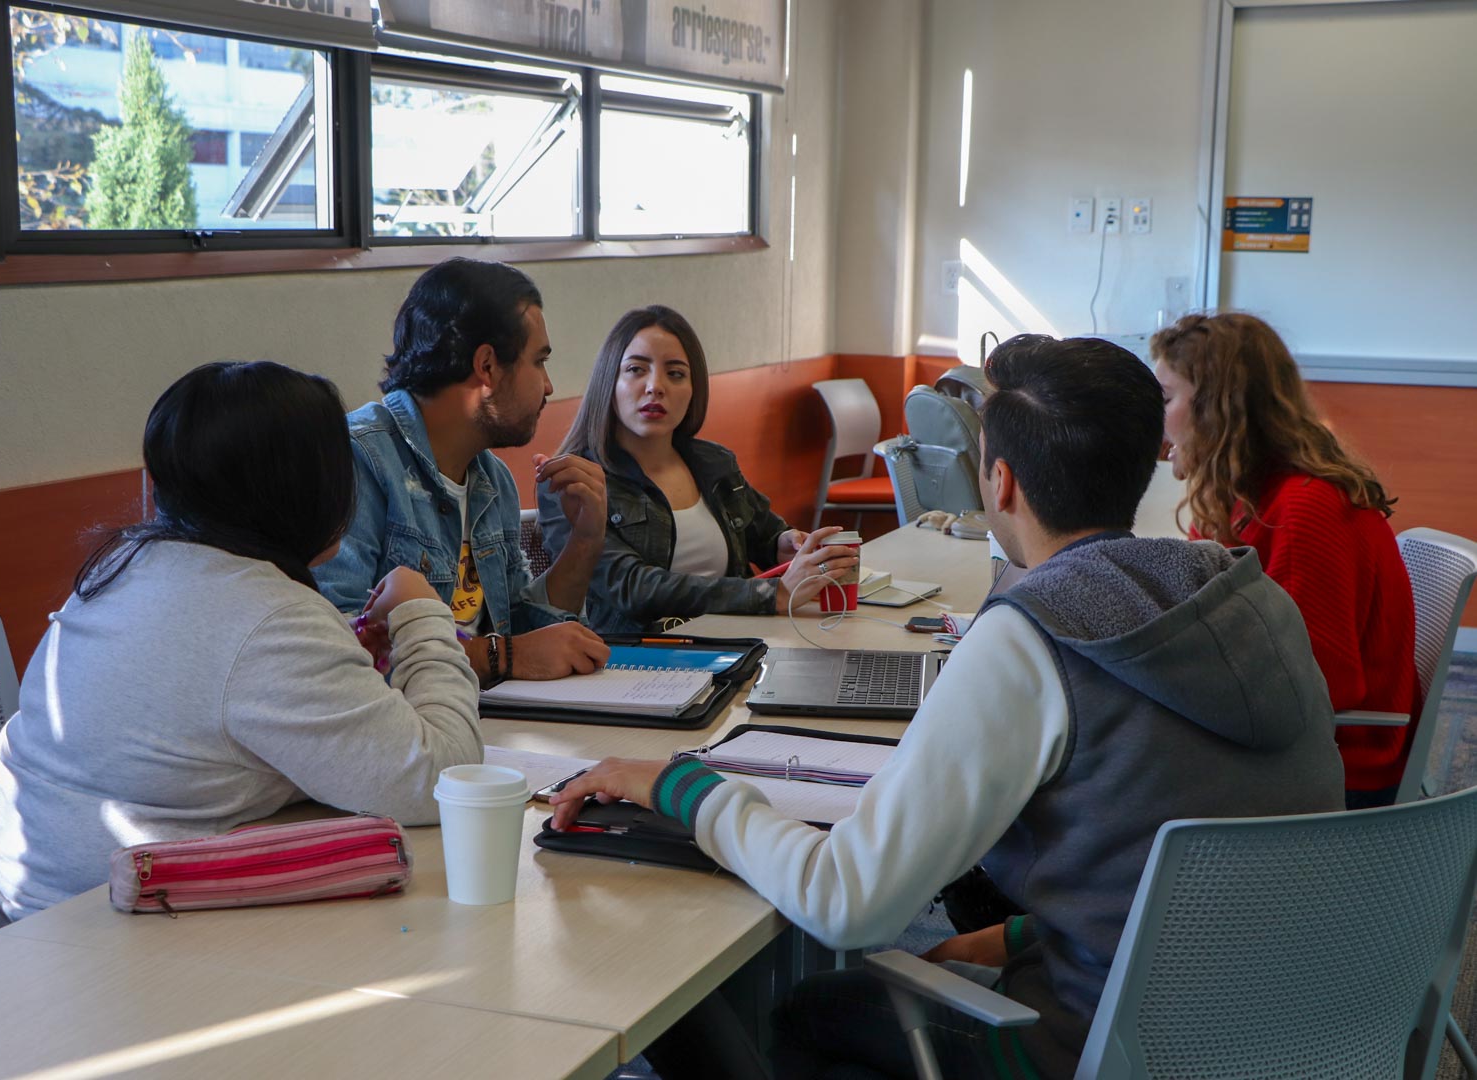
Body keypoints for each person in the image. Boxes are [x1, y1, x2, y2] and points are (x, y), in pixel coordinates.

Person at [550, 335, 1345, 1078]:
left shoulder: (1035, 637)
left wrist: (679, 785)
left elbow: (845, 901)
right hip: (1279, 1015)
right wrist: (1023, 932)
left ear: (998, 482)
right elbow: (1204, 852)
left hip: (1108, 1047)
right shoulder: (1244, 593)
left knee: (810, 1013)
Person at [0, 361, 482, 928]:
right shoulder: (268, 617)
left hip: (20, 903)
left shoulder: (120, 570)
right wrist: (421, 611)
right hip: (115, 932)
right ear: (304, 491)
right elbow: (444, 780)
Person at [1152, 312, 1419, 808]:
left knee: (1119, 776)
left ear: (1216, 408)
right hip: (1294, 732)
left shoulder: (1302, 507)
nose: (1157, 416)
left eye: (1167, 398)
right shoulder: (1242, 494)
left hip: (1337, 761)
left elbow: (1318, 686)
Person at [314, 258, 611, 684]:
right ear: (487, 366)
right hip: (406, 735)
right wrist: (497, 655)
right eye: (539, 361)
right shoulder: (357, 459)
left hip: (486, 721)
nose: (549, 386)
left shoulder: (493, 480)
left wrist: (585, 540)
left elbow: (524, 636)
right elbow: (338, 641)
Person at [538, 304, 858, 633]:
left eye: (675, 373)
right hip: (635, 663)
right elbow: (632, 588)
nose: (655, 386)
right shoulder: (574, 481)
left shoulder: (714, 462)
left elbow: (765, 534)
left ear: (693, 391)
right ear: (609, 380)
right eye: (636, 369)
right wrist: (771, 594)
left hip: (738, 645)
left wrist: (785, 543)